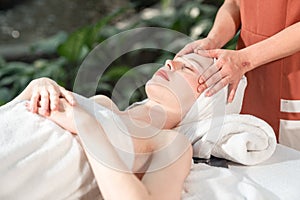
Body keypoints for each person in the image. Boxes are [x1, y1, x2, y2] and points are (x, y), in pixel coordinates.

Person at [8, 53, 215, 200]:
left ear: (208, 100)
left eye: (189, 66)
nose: (170, 62)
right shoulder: (102, 103)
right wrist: (37, 86)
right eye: (175, 58)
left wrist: (87, 126)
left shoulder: (170, 143)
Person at [176, 0, 300, 150]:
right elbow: (235, 3)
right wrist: (213, 40)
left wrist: (244, 60)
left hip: (292, 84)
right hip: (250, 80)